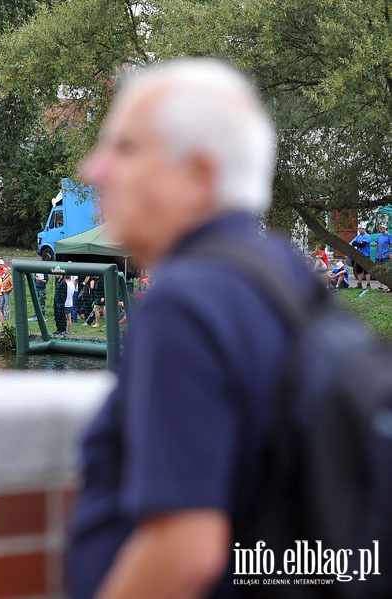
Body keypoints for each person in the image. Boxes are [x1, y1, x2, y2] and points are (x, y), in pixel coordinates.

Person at [69, 59, 316, 598]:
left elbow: (184, 550)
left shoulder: (183, 303)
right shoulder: (280, 271)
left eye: (125, 148)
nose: (95, 169)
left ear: (198, 175)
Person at [350, 224, 372, 290]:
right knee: (359, 270)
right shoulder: (359, 236)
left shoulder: (367, 236)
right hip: (359, 255)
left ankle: (368, 284)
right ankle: (359, 283)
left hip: (366, 255)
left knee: (367, 270)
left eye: (360, 229)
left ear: (364, 229)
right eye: (358, 229)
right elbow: (353, 243)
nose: (359, 230)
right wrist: (358, 243)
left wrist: (358, 244)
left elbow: (363, 245)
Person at [377, 224, 391, 292]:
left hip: (386, 255)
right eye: (380, 228)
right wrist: (377, 253)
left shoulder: (389, 236)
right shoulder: (379, 236)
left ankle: (389, 285)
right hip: (380, 255)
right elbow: (377, 244)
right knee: (380, 270)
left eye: (382, 228)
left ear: (385, 228)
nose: (380, 229)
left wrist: (391, 253)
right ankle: (381, 285)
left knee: (387, 270)